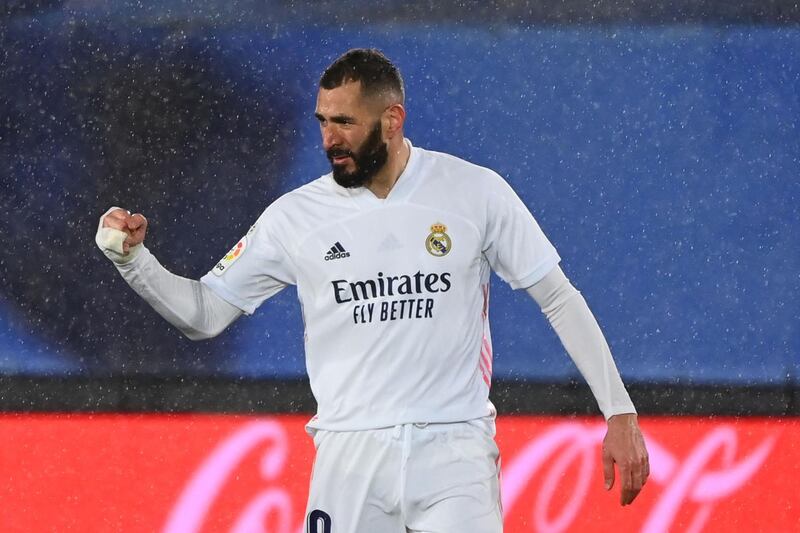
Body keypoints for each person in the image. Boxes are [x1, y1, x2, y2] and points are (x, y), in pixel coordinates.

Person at [96, 48, 649, 533]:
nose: (329, 139)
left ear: (392, 120)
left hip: (454, 451)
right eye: (322, 122)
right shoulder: (295, 218)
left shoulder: (474, 192)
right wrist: (133, 260)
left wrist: (618, 412)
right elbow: (205, 314)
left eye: (345, 122)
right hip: (350, 455)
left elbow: (557, 296)